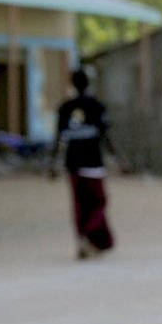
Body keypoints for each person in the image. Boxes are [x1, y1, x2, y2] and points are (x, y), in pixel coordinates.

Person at [53, 69, 114, 259]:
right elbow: (106, 136)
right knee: (98, 202)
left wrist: (53, 163)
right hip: (92, 163)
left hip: (73, 164)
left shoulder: (65, 107)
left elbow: (58, 138)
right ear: (89, 83)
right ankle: (89, 235)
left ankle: (83, 237)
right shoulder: (96, 106)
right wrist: (118, 158)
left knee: (79, 205)